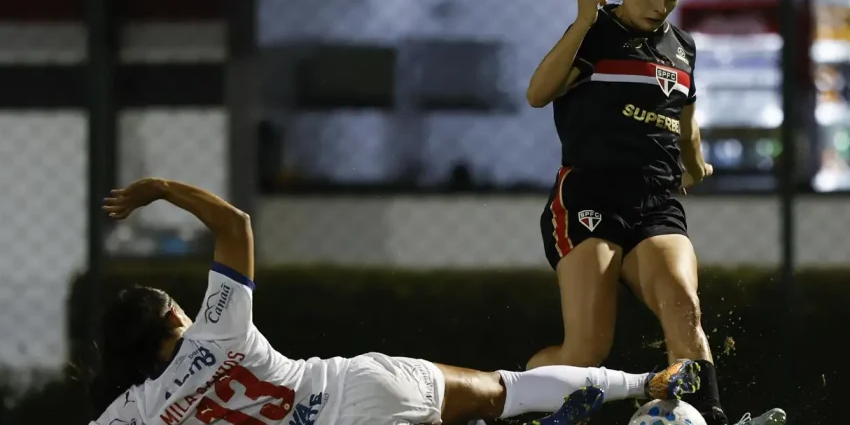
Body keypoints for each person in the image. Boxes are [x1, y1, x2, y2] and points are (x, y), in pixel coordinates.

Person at [89, 177, 699, 425]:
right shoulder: (215, 331)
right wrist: (159, 189)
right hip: (358, 388)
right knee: (505, 389)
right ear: (174, 315)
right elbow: (234, 225)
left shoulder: (137, 411)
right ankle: (645, 382)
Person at [525, 0, 786, 425]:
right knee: (586, 352)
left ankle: (710, 417)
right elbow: (537, 94)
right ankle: (512, 399)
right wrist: (581, 22)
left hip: (657, 203)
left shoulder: (683, 47)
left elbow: (686, 121)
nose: (661, 6)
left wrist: (696, 164)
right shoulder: (594, 34)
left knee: (683, 305)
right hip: (590, 198)